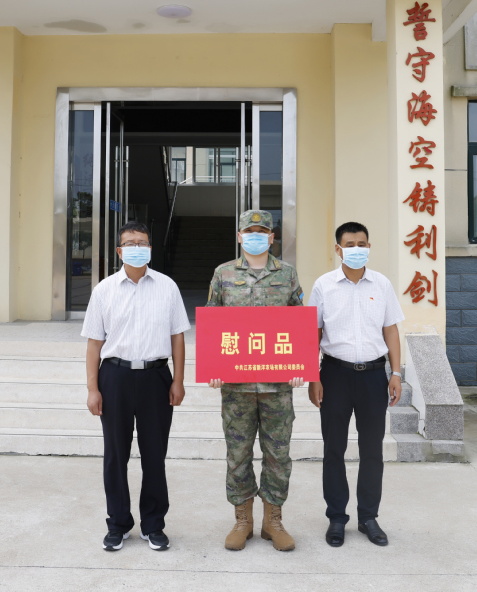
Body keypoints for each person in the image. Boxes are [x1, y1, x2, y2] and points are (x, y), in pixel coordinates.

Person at [82, 221, 191, 552]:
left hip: (156, 378)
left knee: (154, 455)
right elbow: (94, 344)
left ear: (150, 248)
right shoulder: (104, 290)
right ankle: (117, 523)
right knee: (116, 455)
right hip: (114, 377)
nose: (136, 248)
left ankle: (153, 524)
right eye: (130, 244)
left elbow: (177, 337)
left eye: (142, 242)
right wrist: (92, 389)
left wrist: (178, 380)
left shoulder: (167, 287)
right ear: (119, 251)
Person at [206, 209, 305, 552]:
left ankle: (272, 520)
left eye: (262, 232)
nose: (256, 237)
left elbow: (300, 322)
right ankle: (242, 520)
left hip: (278, 386)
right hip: (237, 387)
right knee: (238, 453)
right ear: (239, 236)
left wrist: (300, 364)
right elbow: (212, 321)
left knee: (278, 454)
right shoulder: (223, 273)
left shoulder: (287, 274)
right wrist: (213, 364)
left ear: (272, 237)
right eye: (250, 232)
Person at [307, 222, 405, 548]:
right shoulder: (323, 285)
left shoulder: (382, 284)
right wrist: (313, 376)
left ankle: (368, 517)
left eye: (361, 243)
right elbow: (313, 333)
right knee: (334, 449)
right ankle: (337, 517)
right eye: (349, 244)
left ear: (369, 246)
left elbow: (391, 329)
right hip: (334, 375)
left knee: (372, 450)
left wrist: (396, 372)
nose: (356, 249)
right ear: (338, 249)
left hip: (374, 377)